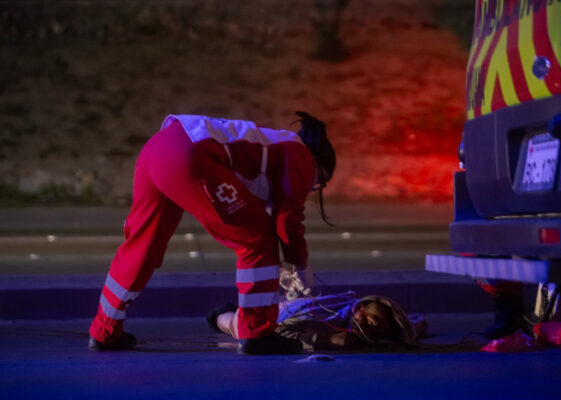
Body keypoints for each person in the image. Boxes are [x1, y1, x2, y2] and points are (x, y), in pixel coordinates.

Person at [88, 111, 336, 355]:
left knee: (142, 245)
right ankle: (256, 333)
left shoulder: (276, 143)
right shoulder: (302, 155)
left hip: (159, 146)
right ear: (318, 163)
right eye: (319, 182)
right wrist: (300, 267)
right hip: (190, 154)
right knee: (257, 239)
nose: (311, 186)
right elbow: (288, 219)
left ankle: (104, 330)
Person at [208, 291, 427, 352]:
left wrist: (415, 327)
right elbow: (275, 335)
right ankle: (220, 313)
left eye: (379, 332)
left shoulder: (356, 321)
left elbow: (407, 332)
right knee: (230, 322)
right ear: (359, 308)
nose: (373, 328)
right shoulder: (324, 317)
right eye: (374, 320)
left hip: (284, 305)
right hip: (264, 316)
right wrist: (325, 341)